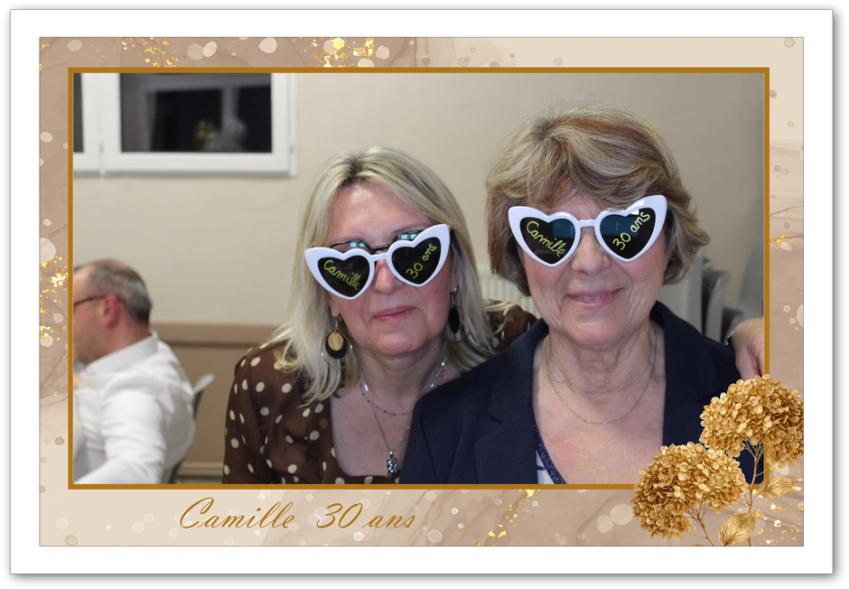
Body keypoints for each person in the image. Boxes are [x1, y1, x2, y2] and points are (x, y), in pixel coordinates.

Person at [223, 145, 764, 485]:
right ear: (325, 290)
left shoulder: (513, 342)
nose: (385, 282)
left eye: (415, 252)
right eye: (349, 264)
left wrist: (753, 334)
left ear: (455, 268)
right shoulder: (270, 385)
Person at [402, 107, 762, 484]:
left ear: (669, 239)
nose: (589, 262)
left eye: (622, 228)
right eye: (554, 235)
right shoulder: (444, 431)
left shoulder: (760, 404)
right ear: (518, 254)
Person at [72, 259, 195, 484]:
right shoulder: (154, 354)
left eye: (70, 310)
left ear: (108, 309)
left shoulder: (133, 391)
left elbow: (137, 471)